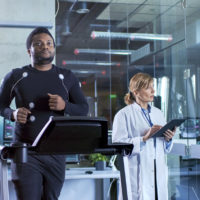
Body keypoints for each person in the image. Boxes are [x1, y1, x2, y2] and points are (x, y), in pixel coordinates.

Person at [0, 27, 88, 200]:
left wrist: (65, 106)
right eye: (38, 44)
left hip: (56, 152)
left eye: (49, 43)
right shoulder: (16, 75)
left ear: (54, 48)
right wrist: (13, 113)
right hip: (26, 152)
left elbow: (84, 108)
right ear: (29, 51)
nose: (45, 47)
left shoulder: (67, 76)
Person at [112, 73, 175, 200]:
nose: (153, 90)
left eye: (153, 86)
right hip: (137, 175)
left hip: (158, 174)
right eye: (148, 88)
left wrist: (168, 139)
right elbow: (118, 145)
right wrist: (143, 139)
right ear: (136, 92)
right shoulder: (123, 115)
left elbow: (163, 147)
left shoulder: (158, 113)